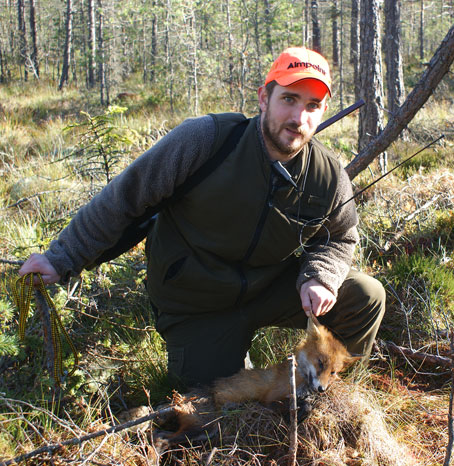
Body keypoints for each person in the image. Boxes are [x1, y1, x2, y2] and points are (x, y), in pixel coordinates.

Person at [19, 47, 385, 387]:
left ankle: (318, 391)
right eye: (288, 99)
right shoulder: (206, 141)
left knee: (365, 295)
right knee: (212, 414)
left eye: (312, 105)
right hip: (196, 302)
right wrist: (61, 258)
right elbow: (123, 200)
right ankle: (227, 367)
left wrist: (319, 277)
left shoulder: (327, 175)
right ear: (264, 98)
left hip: (265, 287)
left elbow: (340, 236)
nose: (298, 117)